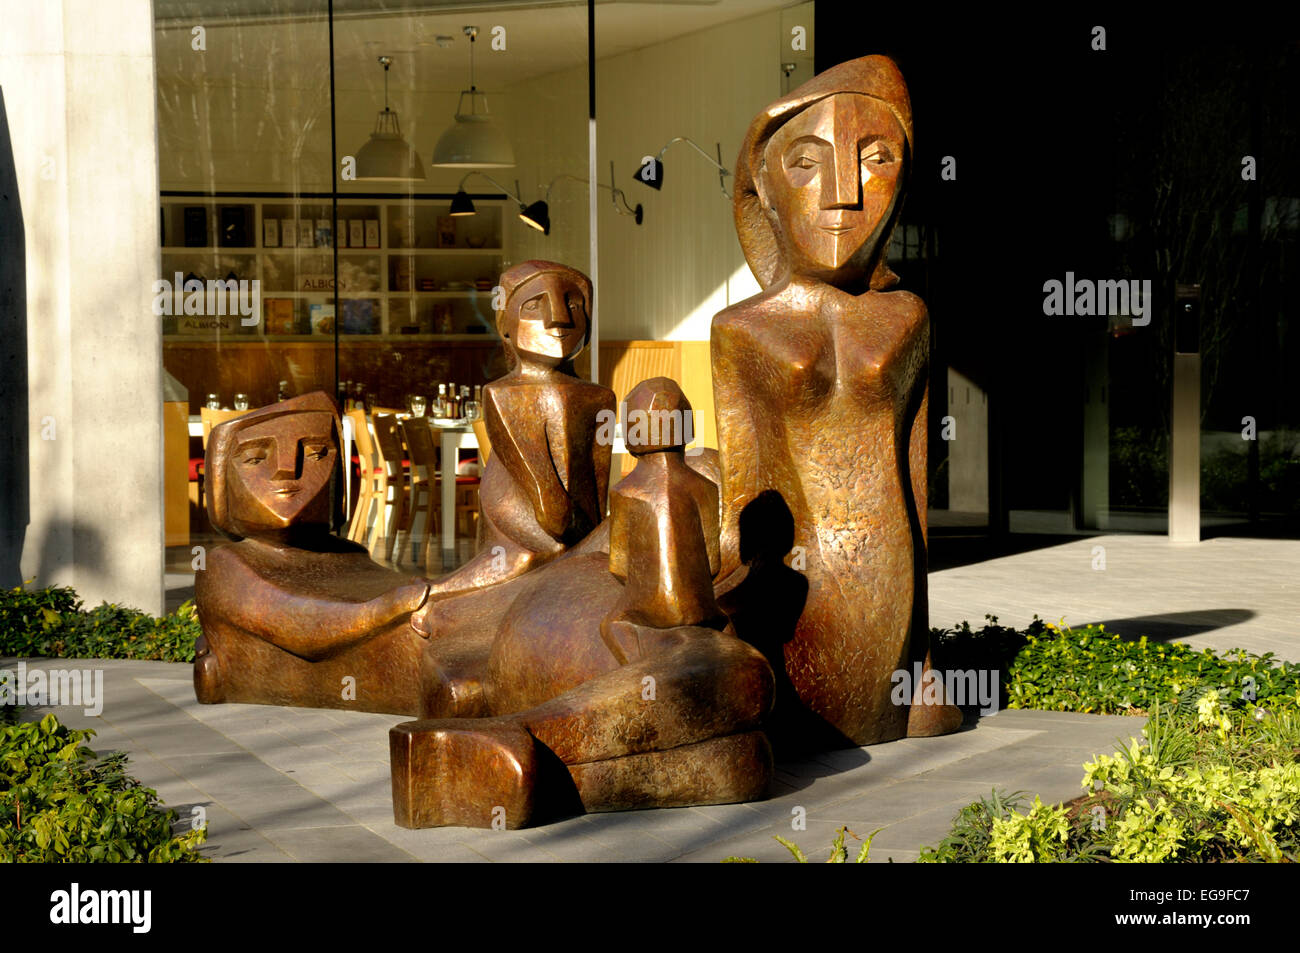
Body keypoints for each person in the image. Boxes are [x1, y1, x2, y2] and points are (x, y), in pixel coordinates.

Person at [712, 55, 962, 747]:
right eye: (807, 163)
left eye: (876, 158)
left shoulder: (907, 315)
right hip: (794, 592)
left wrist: (924, 653)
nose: (844, 192)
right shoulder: (743, 330)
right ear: (762, 186)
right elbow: (743, 493)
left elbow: (916, 484)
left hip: (890, 582)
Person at [193, 392, 430, 714]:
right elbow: (307, 626)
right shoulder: (226, 564)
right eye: (255, 458)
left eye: (317, 453)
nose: (286, 470)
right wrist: (394, 605)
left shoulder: (346, 553)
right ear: (222, 482)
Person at [420, 260, 614, 604]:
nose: (559, 318)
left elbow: (596, 493)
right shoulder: (506, 394)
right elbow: (547, 503)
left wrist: (595, 544)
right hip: (522, 532)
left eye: (573, 303)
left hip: (573, 535)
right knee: (532, 560)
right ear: (505, 325)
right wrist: (580, 548)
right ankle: (428, 598)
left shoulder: (598, 397)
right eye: (534, 304)